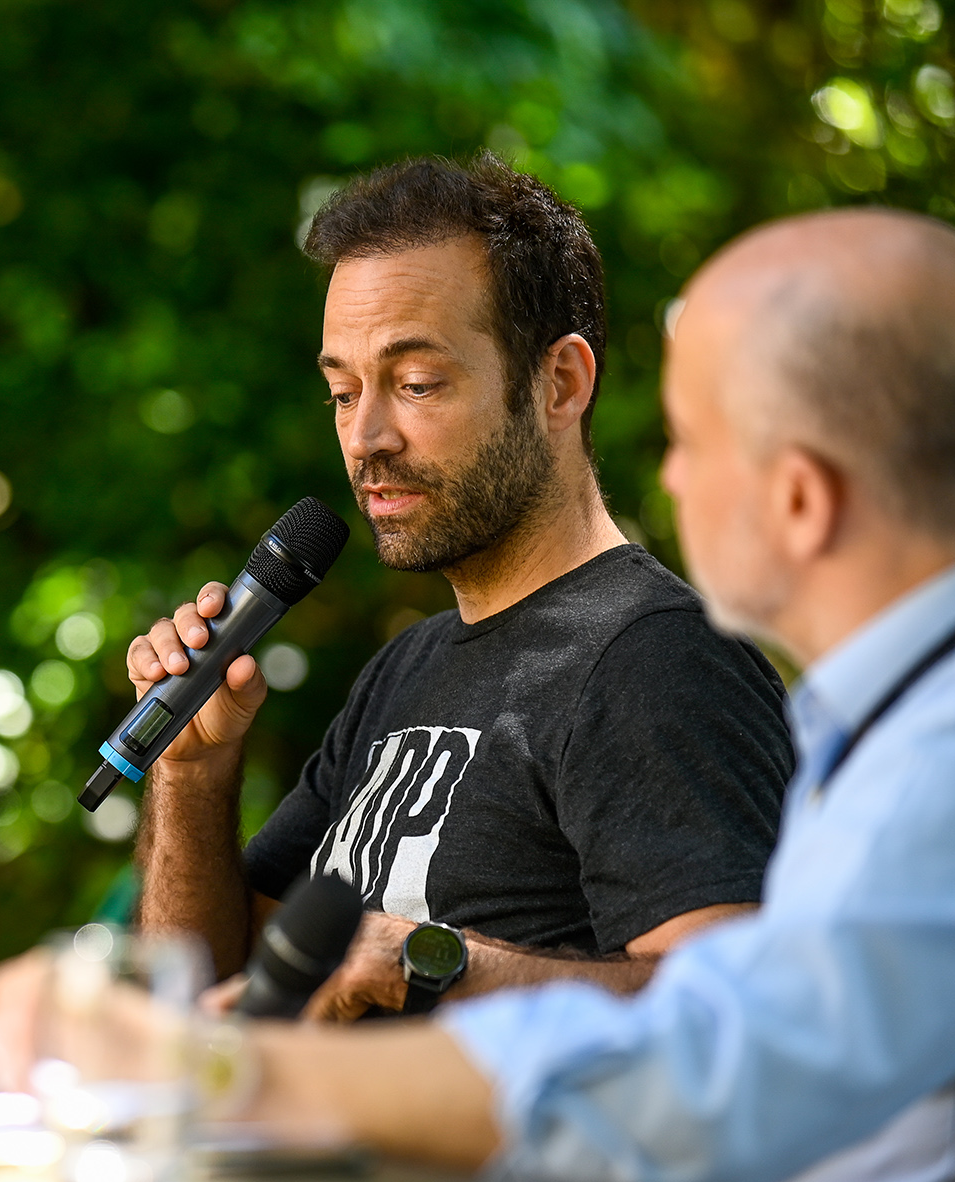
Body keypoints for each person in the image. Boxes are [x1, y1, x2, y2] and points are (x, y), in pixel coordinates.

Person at [0, 207, 955, 1182]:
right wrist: (188, 787)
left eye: (684, 439)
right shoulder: (917, 716)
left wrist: (228, 1073)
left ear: (798, 495)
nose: (665, 479)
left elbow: (701, 1058)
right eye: (342, 389)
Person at [132, 154, 792, 1017]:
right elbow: (207, 989)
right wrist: (193, 773)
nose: (366, 436)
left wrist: (438, 961)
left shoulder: (657, 660)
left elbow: (739, 1019)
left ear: (560, 384)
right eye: (341, 391)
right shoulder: (405, 668)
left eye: (415, 383)